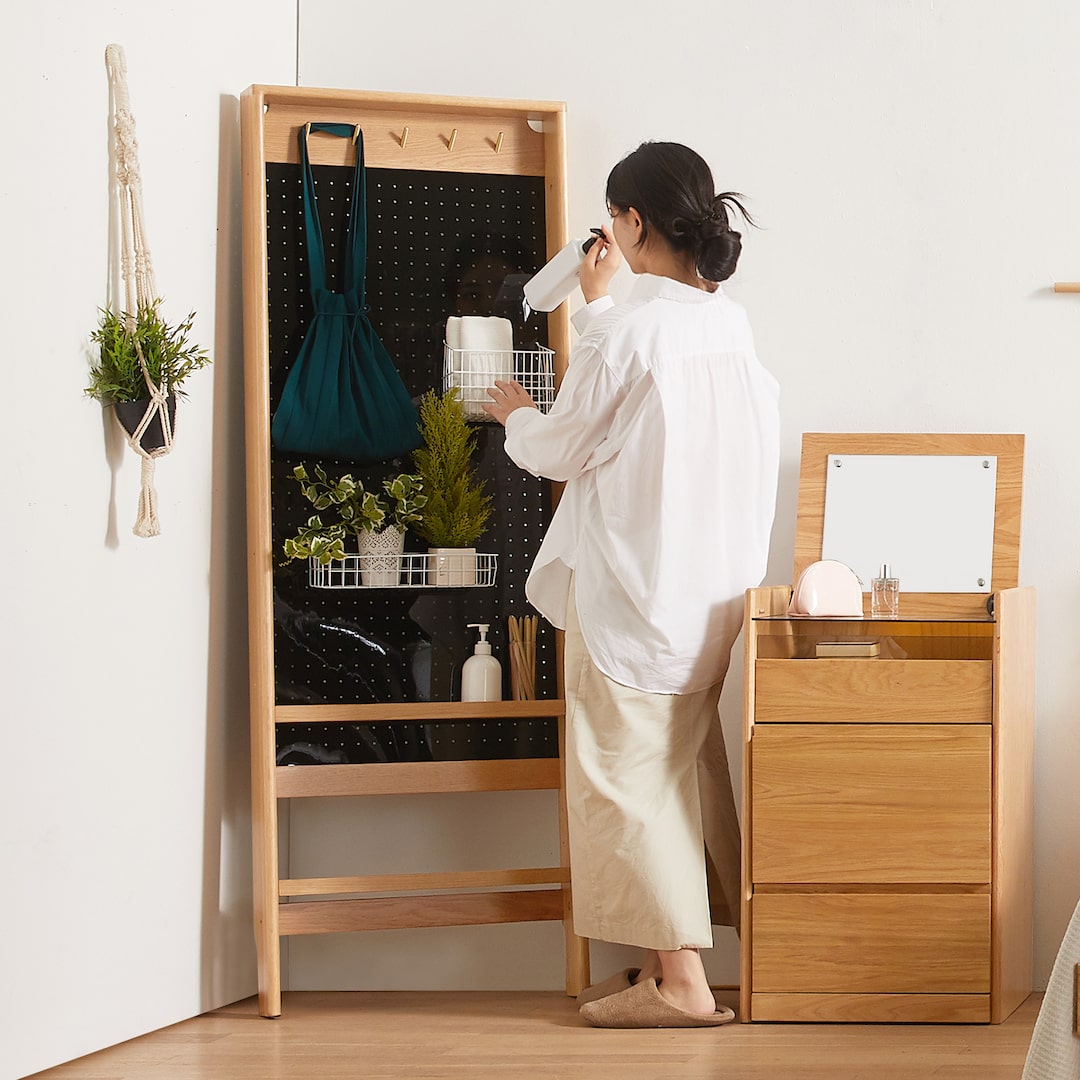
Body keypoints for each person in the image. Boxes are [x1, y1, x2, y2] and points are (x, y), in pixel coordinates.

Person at [483, 141, 780, 1029]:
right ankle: (669, 968)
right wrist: (600, 303)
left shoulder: (641, 338)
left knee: (624, 780)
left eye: (615, 216)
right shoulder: (728, 326)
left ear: (635, 222)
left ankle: (682, 984)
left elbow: (567, 446)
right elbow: (641, 389)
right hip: (708, 600)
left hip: (635, 598)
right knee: (671, 774)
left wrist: (518, 416)